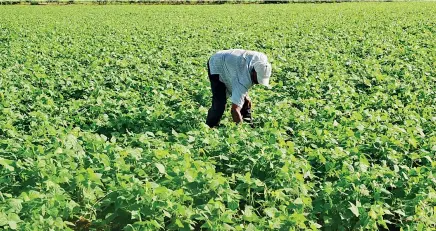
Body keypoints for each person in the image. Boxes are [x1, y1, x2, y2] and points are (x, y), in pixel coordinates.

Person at [206, 49, 272, 128]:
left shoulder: (262, 60)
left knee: (245, 100)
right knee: (220, 103)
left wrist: (244, 96)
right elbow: (235, 110)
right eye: (257, 79)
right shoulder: (242, 79)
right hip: (216, 64)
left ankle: (248, 124)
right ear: (253, 72)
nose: (257, 83)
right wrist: (240, 131)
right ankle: (210, 126)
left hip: (232, 63)